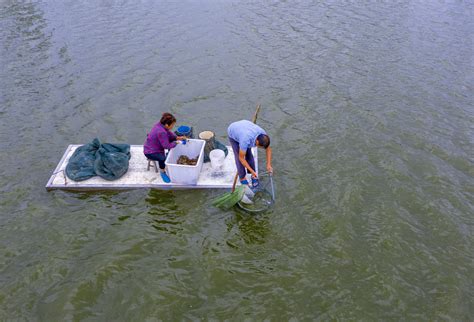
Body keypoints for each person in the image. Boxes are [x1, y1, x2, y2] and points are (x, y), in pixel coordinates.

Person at [227, 119, 273, 188]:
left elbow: (268, 149)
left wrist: (268, 164)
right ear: (257, 142)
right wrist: (252, 171)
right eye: (260, 147)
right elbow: (241, 158)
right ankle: (242, 178)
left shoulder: (264, 135)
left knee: (249, 154)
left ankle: (253, 176)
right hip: (233, 132)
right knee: (238, 157)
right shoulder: (245, 140)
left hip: (245, 127)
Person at [144, 112, 187, 183]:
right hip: (150, 152)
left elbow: (169, 133)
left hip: (154, 144)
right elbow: (166, 146)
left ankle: (169, 155)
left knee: (172, 138)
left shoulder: (160, 125)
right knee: (162, 158)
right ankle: (162, 172)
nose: (173, 126)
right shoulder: (161, 132)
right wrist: (176, 142)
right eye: (172, 125)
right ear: (167, 125)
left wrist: (177, 138)